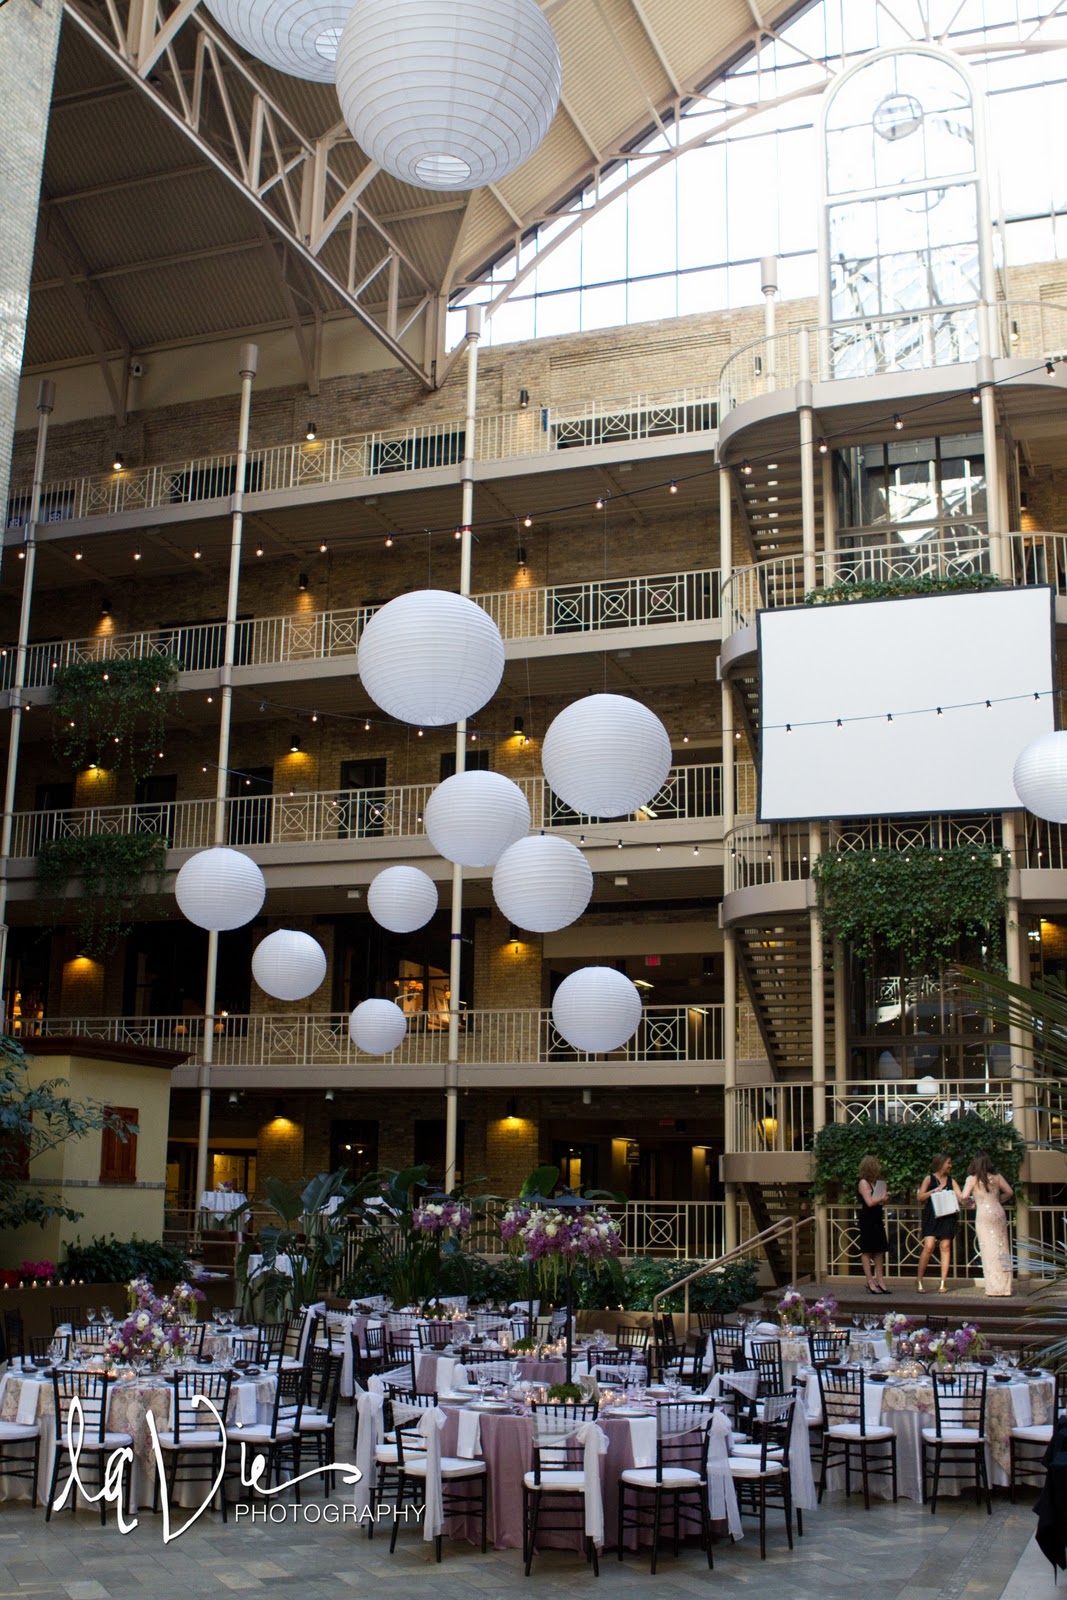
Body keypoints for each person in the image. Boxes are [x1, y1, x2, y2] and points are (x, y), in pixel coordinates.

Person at [961, 1151, 1014, 1297]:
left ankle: (993, 1288)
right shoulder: (997, 1177)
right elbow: (1009, 1192)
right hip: (998, 1212)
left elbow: (964, 1197)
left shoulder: (972, 1179)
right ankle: (1006, 1288)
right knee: (1002, 1248)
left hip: (983, 1214)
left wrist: (972, 1203)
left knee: (988, 1250)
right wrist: (998, 1201)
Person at [916, 1153, 962, 1293]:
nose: (950, 1166)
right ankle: (919, 1279)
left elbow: (960, 1196)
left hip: (947, 1215)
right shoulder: (929, 1178)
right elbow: (920, 1197)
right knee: (928, 1246)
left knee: (945, 1246)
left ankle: (943, 1282)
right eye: (948, 1163)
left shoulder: (951, 1180)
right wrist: (934, 1191)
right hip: (932, 1214)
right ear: (941, 1163)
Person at [857, 1154, 890, 1294]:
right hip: (867, 1219)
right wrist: (880, 1198)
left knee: (879, 1250)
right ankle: (870, 1280)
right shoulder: (863, 1183)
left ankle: (880, 1279)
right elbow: (869, 1202)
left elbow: (876, 1201)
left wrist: (884, 1199)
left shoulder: (877, 1183)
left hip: (877, 1218)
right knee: (867, 1250)